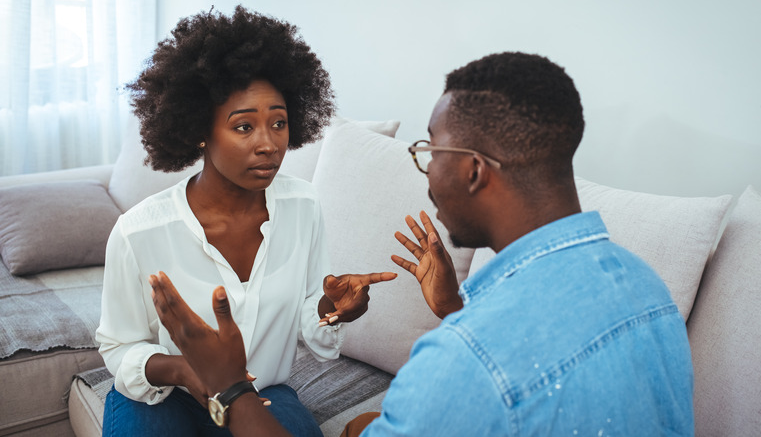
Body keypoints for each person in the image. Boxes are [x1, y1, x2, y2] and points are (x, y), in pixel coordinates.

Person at [149, 51, 695, 436]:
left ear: (475, 170)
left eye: (431, 151)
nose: (426, 171)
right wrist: (456, 308)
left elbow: (494, 370)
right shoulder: (646, 286)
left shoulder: (462, 360)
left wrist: (230, 385)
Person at [95, 6, 395, 437]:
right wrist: (185, 370)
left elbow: (310, 313)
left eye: (278, 123)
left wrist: (331, 310)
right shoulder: (138, 231)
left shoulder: (303, 205)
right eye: (243, 127)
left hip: (262, 391)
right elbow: (119, 346)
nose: (268, 144)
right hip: (164, 395)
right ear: (200, 131)